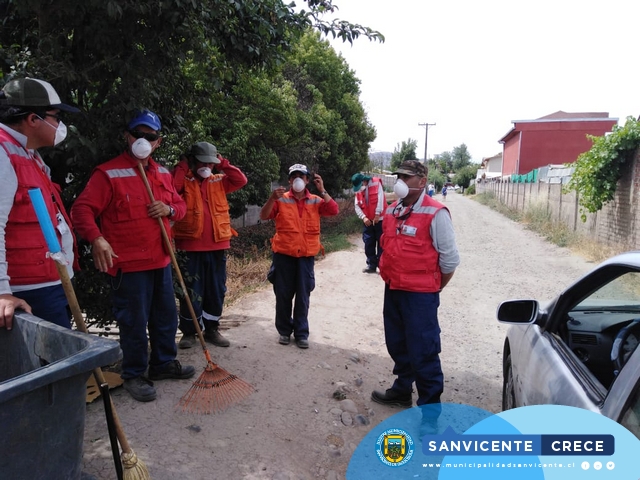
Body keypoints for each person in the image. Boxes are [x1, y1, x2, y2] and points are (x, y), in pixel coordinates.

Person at [71, 110, 195, 402]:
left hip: (161, 260)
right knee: (134, 322)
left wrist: (170, 209)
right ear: (127, 137)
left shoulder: (163, 173)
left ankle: (163, 364)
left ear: (158, 142)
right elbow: (82, 210)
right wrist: (97, 238)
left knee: (165, 316)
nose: (143, 140)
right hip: (128, 264)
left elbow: (181, 205)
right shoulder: (108, 173)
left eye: (149, 136)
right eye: (137, 134)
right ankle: (134, 374)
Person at [371, 160, 459, 410]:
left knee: (423, 351)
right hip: (394, 290)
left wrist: (434, 288)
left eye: (406, 177)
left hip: (421, 296)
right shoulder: (392, 211)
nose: (399, 181)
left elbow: (450, 261)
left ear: (422, 183)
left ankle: (430, 412)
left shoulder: (436, 212)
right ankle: (401, 391)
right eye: (398, 176)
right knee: (398, 343)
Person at [0, 77, 81, 330]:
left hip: (48, 283)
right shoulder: (4, 153)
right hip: (27, 293)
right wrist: (2, 292)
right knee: (51, 368)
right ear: (33, 119)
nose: (60, 124)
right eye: (55, 116)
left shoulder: (27, 154)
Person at [171, 141, 247, 349]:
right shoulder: (183, 180)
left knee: (216, 289)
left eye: (211, 163)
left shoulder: (219, 180)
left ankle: (212, 329)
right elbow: (171, 189)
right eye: (203, 162)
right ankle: (189, 332)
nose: (208, 167)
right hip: (190, 247)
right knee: (190, 290)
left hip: (218, 246)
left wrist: (222, 162)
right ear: (194, 161)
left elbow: (241, 180)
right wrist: (183, 166)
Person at [259, 164, 338, 349]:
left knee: (303, 296)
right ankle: (284, 331)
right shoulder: (281, 200)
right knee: (283, 296)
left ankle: (301, 333)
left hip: (305, 258)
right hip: (284, 256)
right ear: (289, 180)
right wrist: (271, 198)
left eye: (301, 176)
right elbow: (264, 215)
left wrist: (323, 189)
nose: (298, 179)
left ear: (307, 180)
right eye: (294, 176)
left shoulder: (317, 201)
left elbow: (333, 210)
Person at [351, 172, 384, 274]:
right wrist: (363, 217)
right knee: (368, 243)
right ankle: (371, 265)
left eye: (360, 185)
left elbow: (380, 199)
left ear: (363, 181)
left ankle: (382, 266)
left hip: (380, 219)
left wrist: (378, 214)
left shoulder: (376, 183)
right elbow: (357, 206)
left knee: (382, 243)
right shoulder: (358, 191)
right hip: (367, 221)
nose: (360, 188)